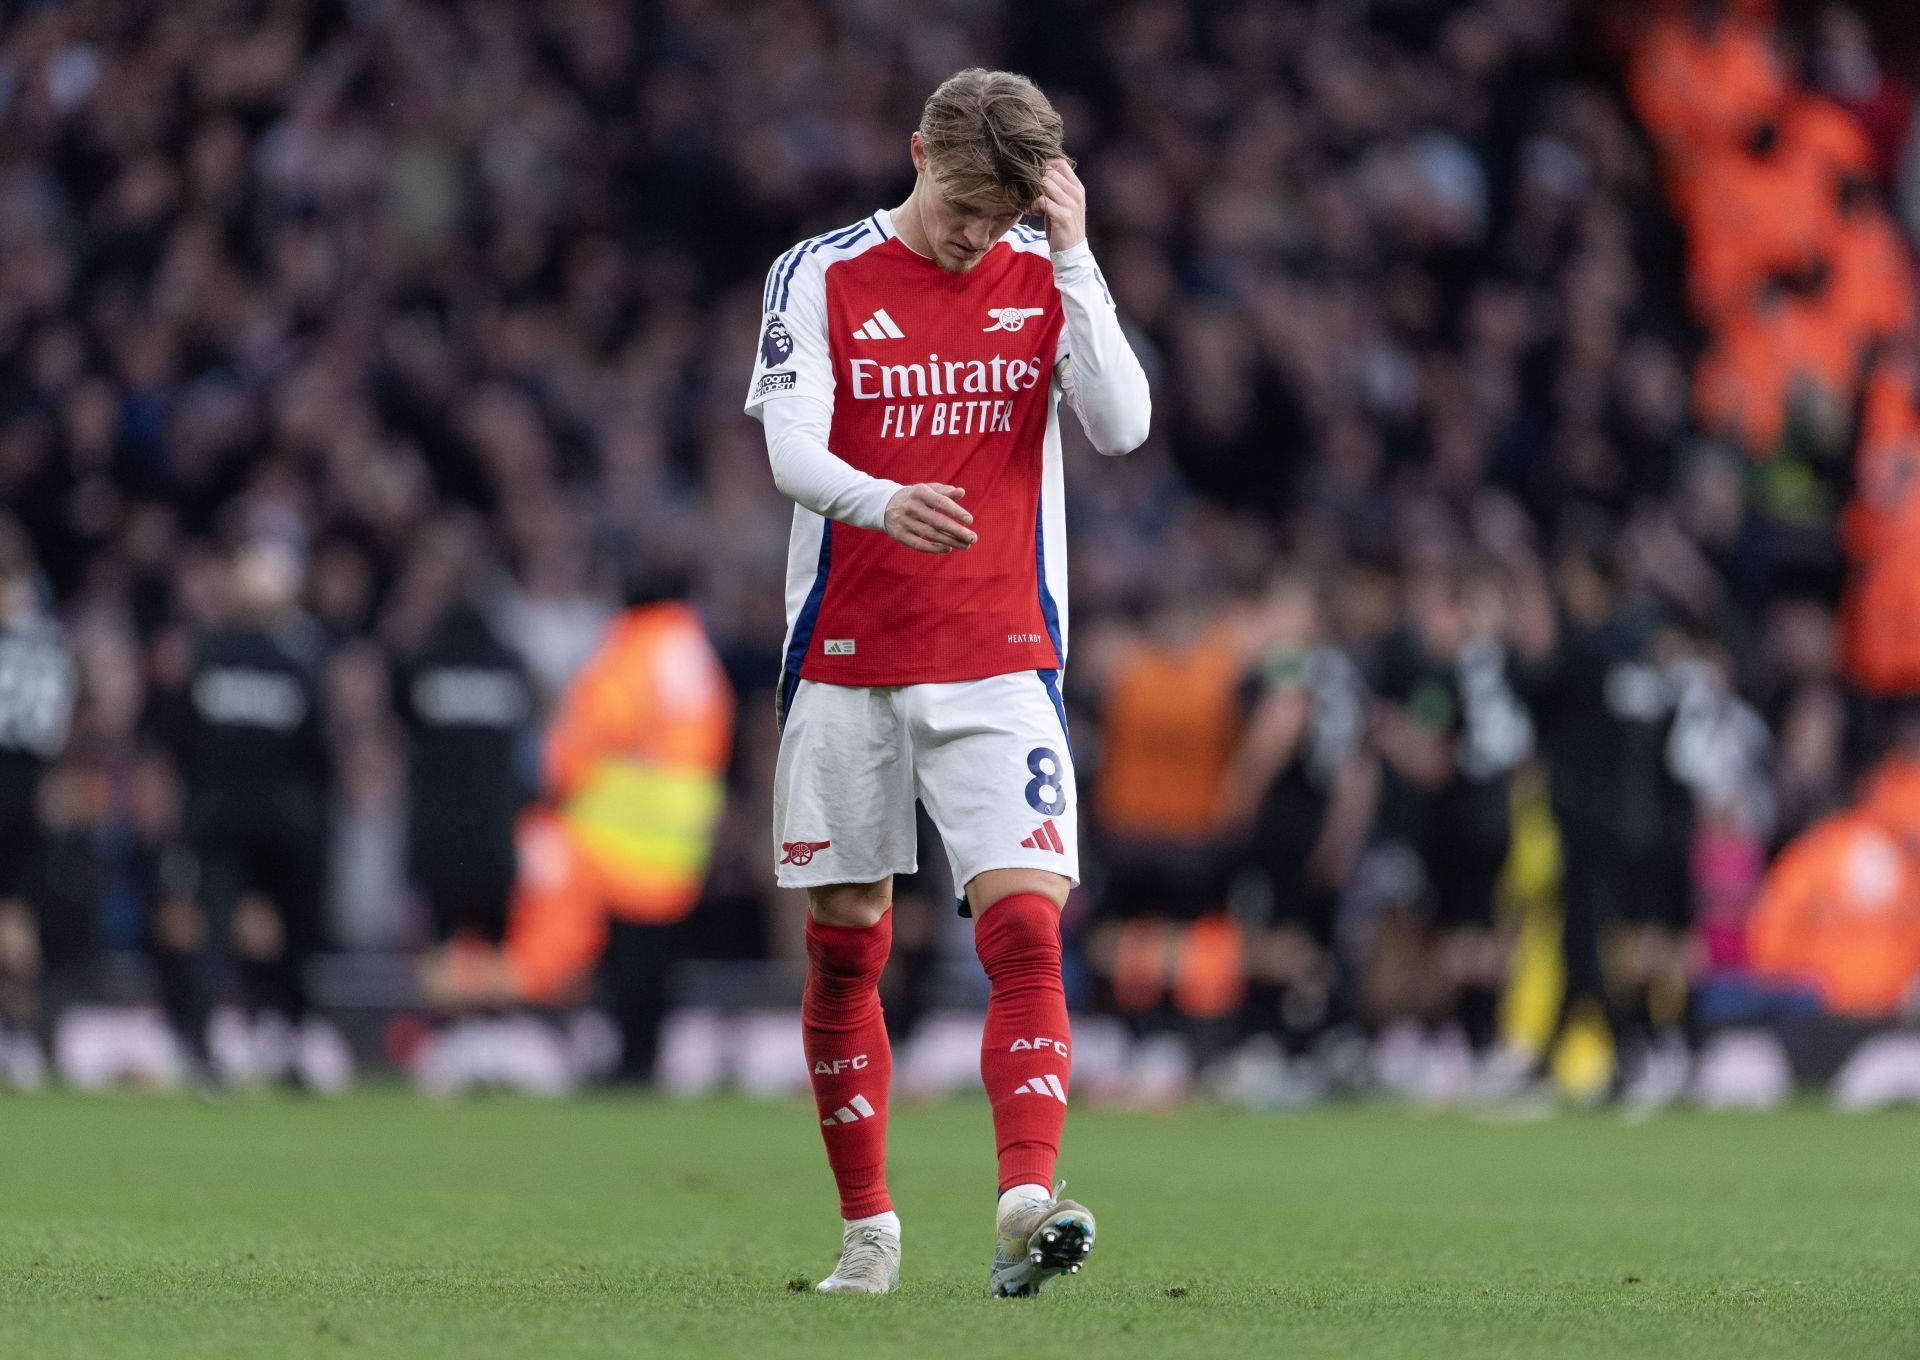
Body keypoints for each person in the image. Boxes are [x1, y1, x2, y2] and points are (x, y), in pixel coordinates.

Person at [744, 68, 1150, 1295]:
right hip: (848, 657)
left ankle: (1028, 1196)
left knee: (1027, 928)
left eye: (1001, 209)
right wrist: (879, 501)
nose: (977, 232)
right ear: (916, 150)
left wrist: (1075, 258)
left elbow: (1123, 424)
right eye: (964, 201)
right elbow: (788, 450)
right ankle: (870, 1228)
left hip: (1002, 657)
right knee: (846, 942)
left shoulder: (1043, 269)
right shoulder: (817, 274)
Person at [162, 541, 338, 1086]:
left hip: (216, 818)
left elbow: (179, 742)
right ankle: (285, 1039)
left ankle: (200, 1043)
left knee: (214, 933)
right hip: (284, 822)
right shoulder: (296, 666)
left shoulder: (205, 660)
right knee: (289, 935)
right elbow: (318, 751)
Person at [0, 536, 77, 1086]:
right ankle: (22, 1036)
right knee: (18, 916)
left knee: (12, 919)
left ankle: (17, 1033)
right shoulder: (54, 646)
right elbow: (59, 726)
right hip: (33, 786)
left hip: (9, 779)